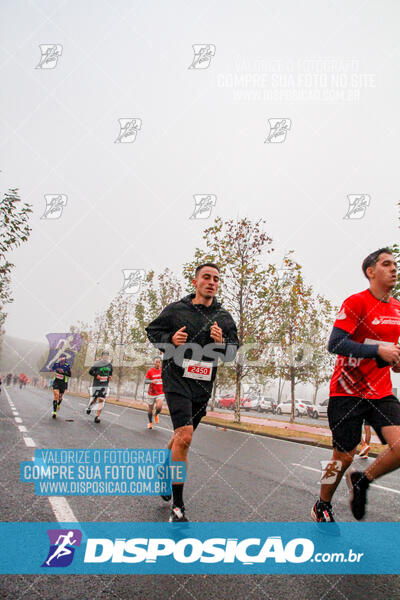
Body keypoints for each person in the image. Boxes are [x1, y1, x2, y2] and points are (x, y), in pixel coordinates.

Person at [311, 248, 400, 523]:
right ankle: (322, 503)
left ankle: (363, 481)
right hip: (346, 392)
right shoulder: (356, 303)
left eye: (395, 265)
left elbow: (392, 349)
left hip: (381, 392)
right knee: (343, 457)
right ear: (370, 272)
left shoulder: (397, 309)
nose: (393, 269)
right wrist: (378, 352)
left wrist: (396, 359)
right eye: (386, 264)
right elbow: (335, 343)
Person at [146, 263, 239, 522]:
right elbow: (152, 331)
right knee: (185, 436)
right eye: (206, 277)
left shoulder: (225, 317)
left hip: (202, 384)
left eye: (216, 279)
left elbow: (232, 352)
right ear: (195, 281)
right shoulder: (177, 309)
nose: (212, 282)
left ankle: (165, 468)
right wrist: (170, 341)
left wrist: (222, 343)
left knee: (181, 437)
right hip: (176, 379)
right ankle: (178, 506)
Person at [86, 351, 113, 423]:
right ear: (102, 356)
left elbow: (110, 373)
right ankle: (90, 407)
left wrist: (110, 376)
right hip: (97, 384)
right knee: (94, 399)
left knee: (101, 400)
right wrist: (96, 375)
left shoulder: (109, 365)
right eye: (104, 355)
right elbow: (90, 372)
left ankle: (97, 417)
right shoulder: (97, 364)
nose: (105, 357)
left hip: (105, 385)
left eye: (107, 355)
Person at [144, 357, 164, 429]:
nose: (157, 363)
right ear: (154, 363)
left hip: (160, 392)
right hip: (151, 393)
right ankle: (150, 423)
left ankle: (156, 414)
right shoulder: (150, 371)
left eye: (159, 362)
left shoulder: (163, 371)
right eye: (156, 362)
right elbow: (146, 381)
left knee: (159, 407)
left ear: (160, 363)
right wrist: (152, 381)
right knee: (150, 409)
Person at [50, 353, 71, 418]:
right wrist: (51, 369)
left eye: (63, 358)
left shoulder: (67, 366)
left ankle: (58, 404)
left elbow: (70, 375)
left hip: (63, 383)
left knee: (60, 397)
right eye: (61, 358)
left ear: (65, 359)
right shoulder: (56, 364)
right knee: (56, 395)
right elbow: (52, 368)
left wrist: (63, 372)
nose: (62, 359)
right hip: (56, 381)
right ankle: (54, 412)